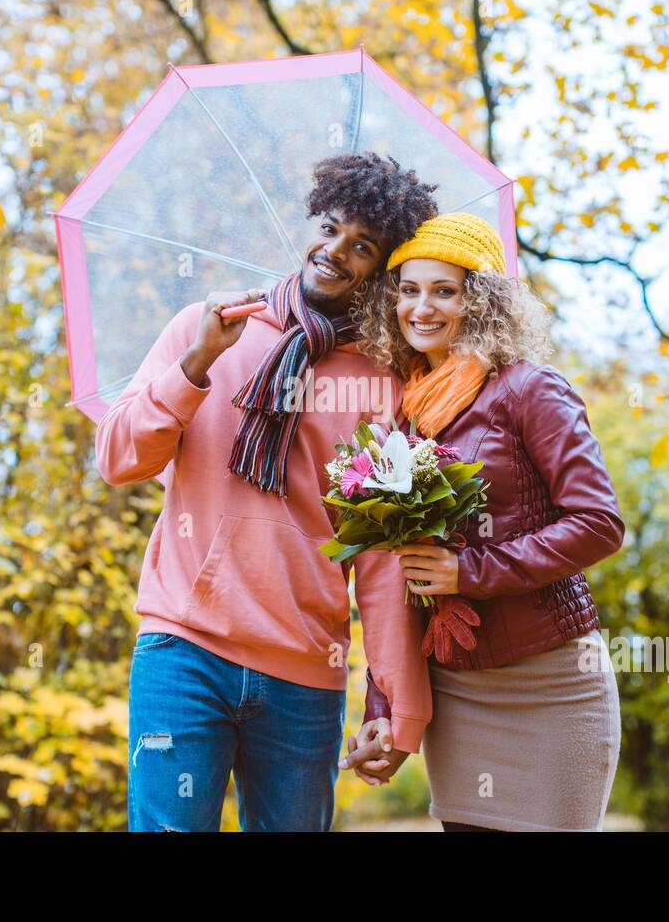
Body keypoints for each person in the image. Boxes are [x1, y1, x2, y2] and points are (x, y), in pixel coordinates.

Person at [95, 151, 439, 831]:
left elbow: (378, 558)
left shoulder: (378, 383)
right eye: (330, 227)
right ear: (308, 224)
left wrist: (400, 707)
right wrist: (195, 366)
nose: (335, 250)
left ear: (380, 269)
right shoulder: (212, 327)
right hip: (183, 650)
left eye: (362, 245)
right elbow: (118, 457)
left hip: (305, 672)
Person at [338, 212, 626, 832]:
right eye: (409, 290)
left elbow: (599, 522)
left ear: (482, 301)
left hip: (550, 677)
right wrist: (383, 703)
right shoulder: (401, 420)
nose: (424, 307)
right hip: (458, 691)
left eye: (446, 290)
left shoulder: (530, 389)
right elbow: (400, 585)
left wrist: (469, 570)